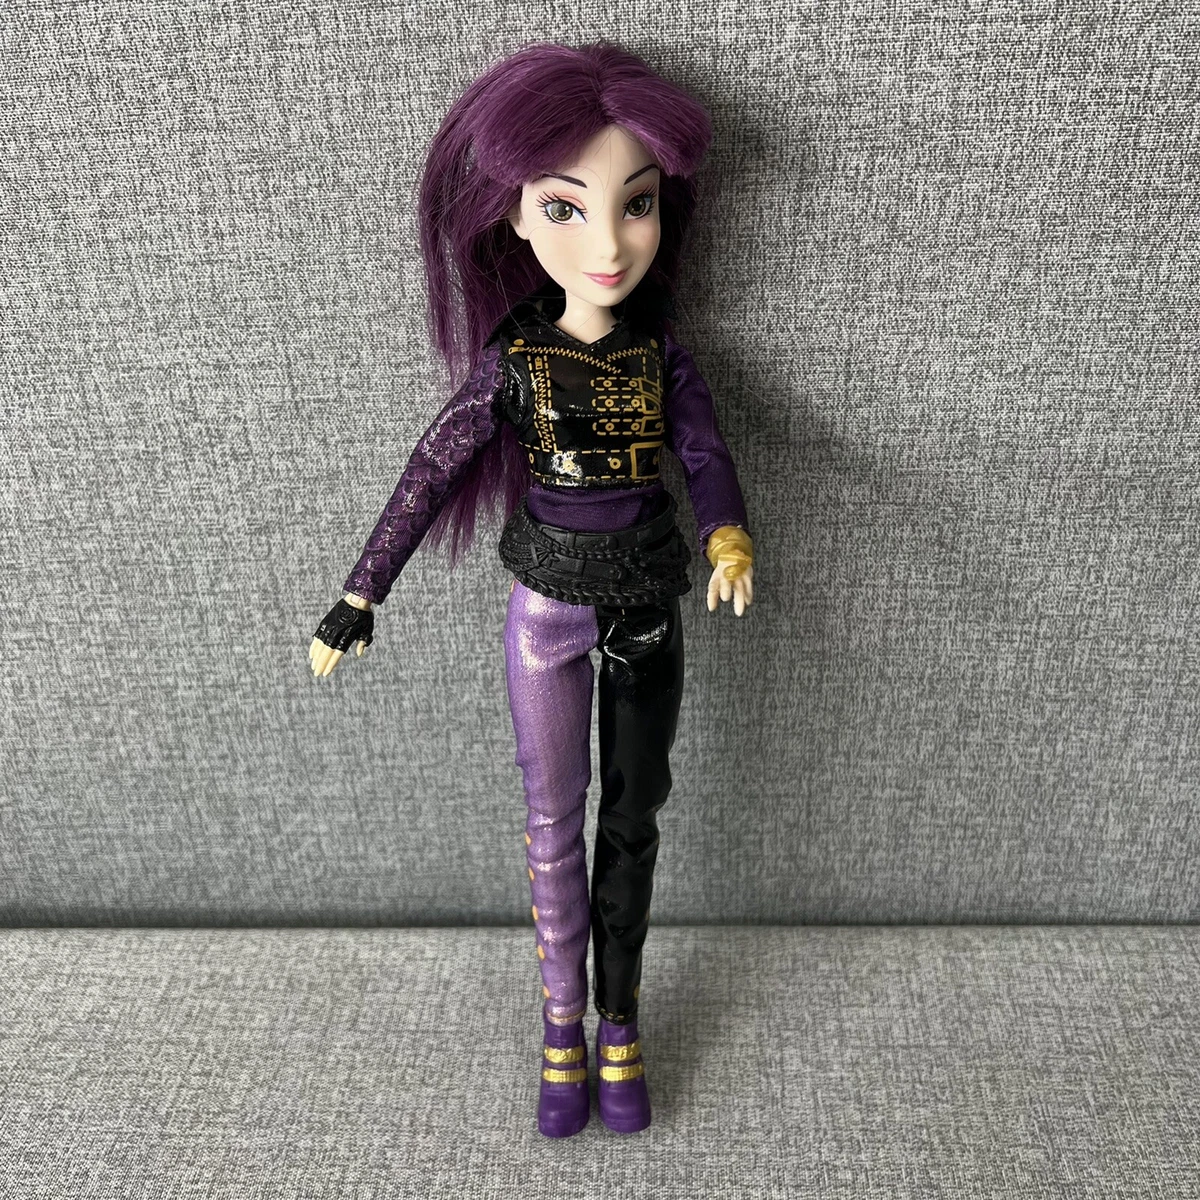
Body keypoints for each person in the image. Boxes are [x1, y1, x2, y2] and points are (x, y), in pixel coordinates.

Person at [309, 40, 755, 1138]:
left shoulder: (663, 356)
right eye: (566, 208)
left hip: (647, 600)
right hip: (548, 607)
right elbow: (432, 468)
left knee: (634, 821)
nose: (609, 243)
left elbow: (703, 456)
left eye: (636, 204)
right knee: (552, 820)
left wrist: (729, 540)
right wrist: (360, 595)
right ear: (512, 216)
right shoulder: (513, 363)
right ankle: (561, 1025)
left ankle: (620, 1020)